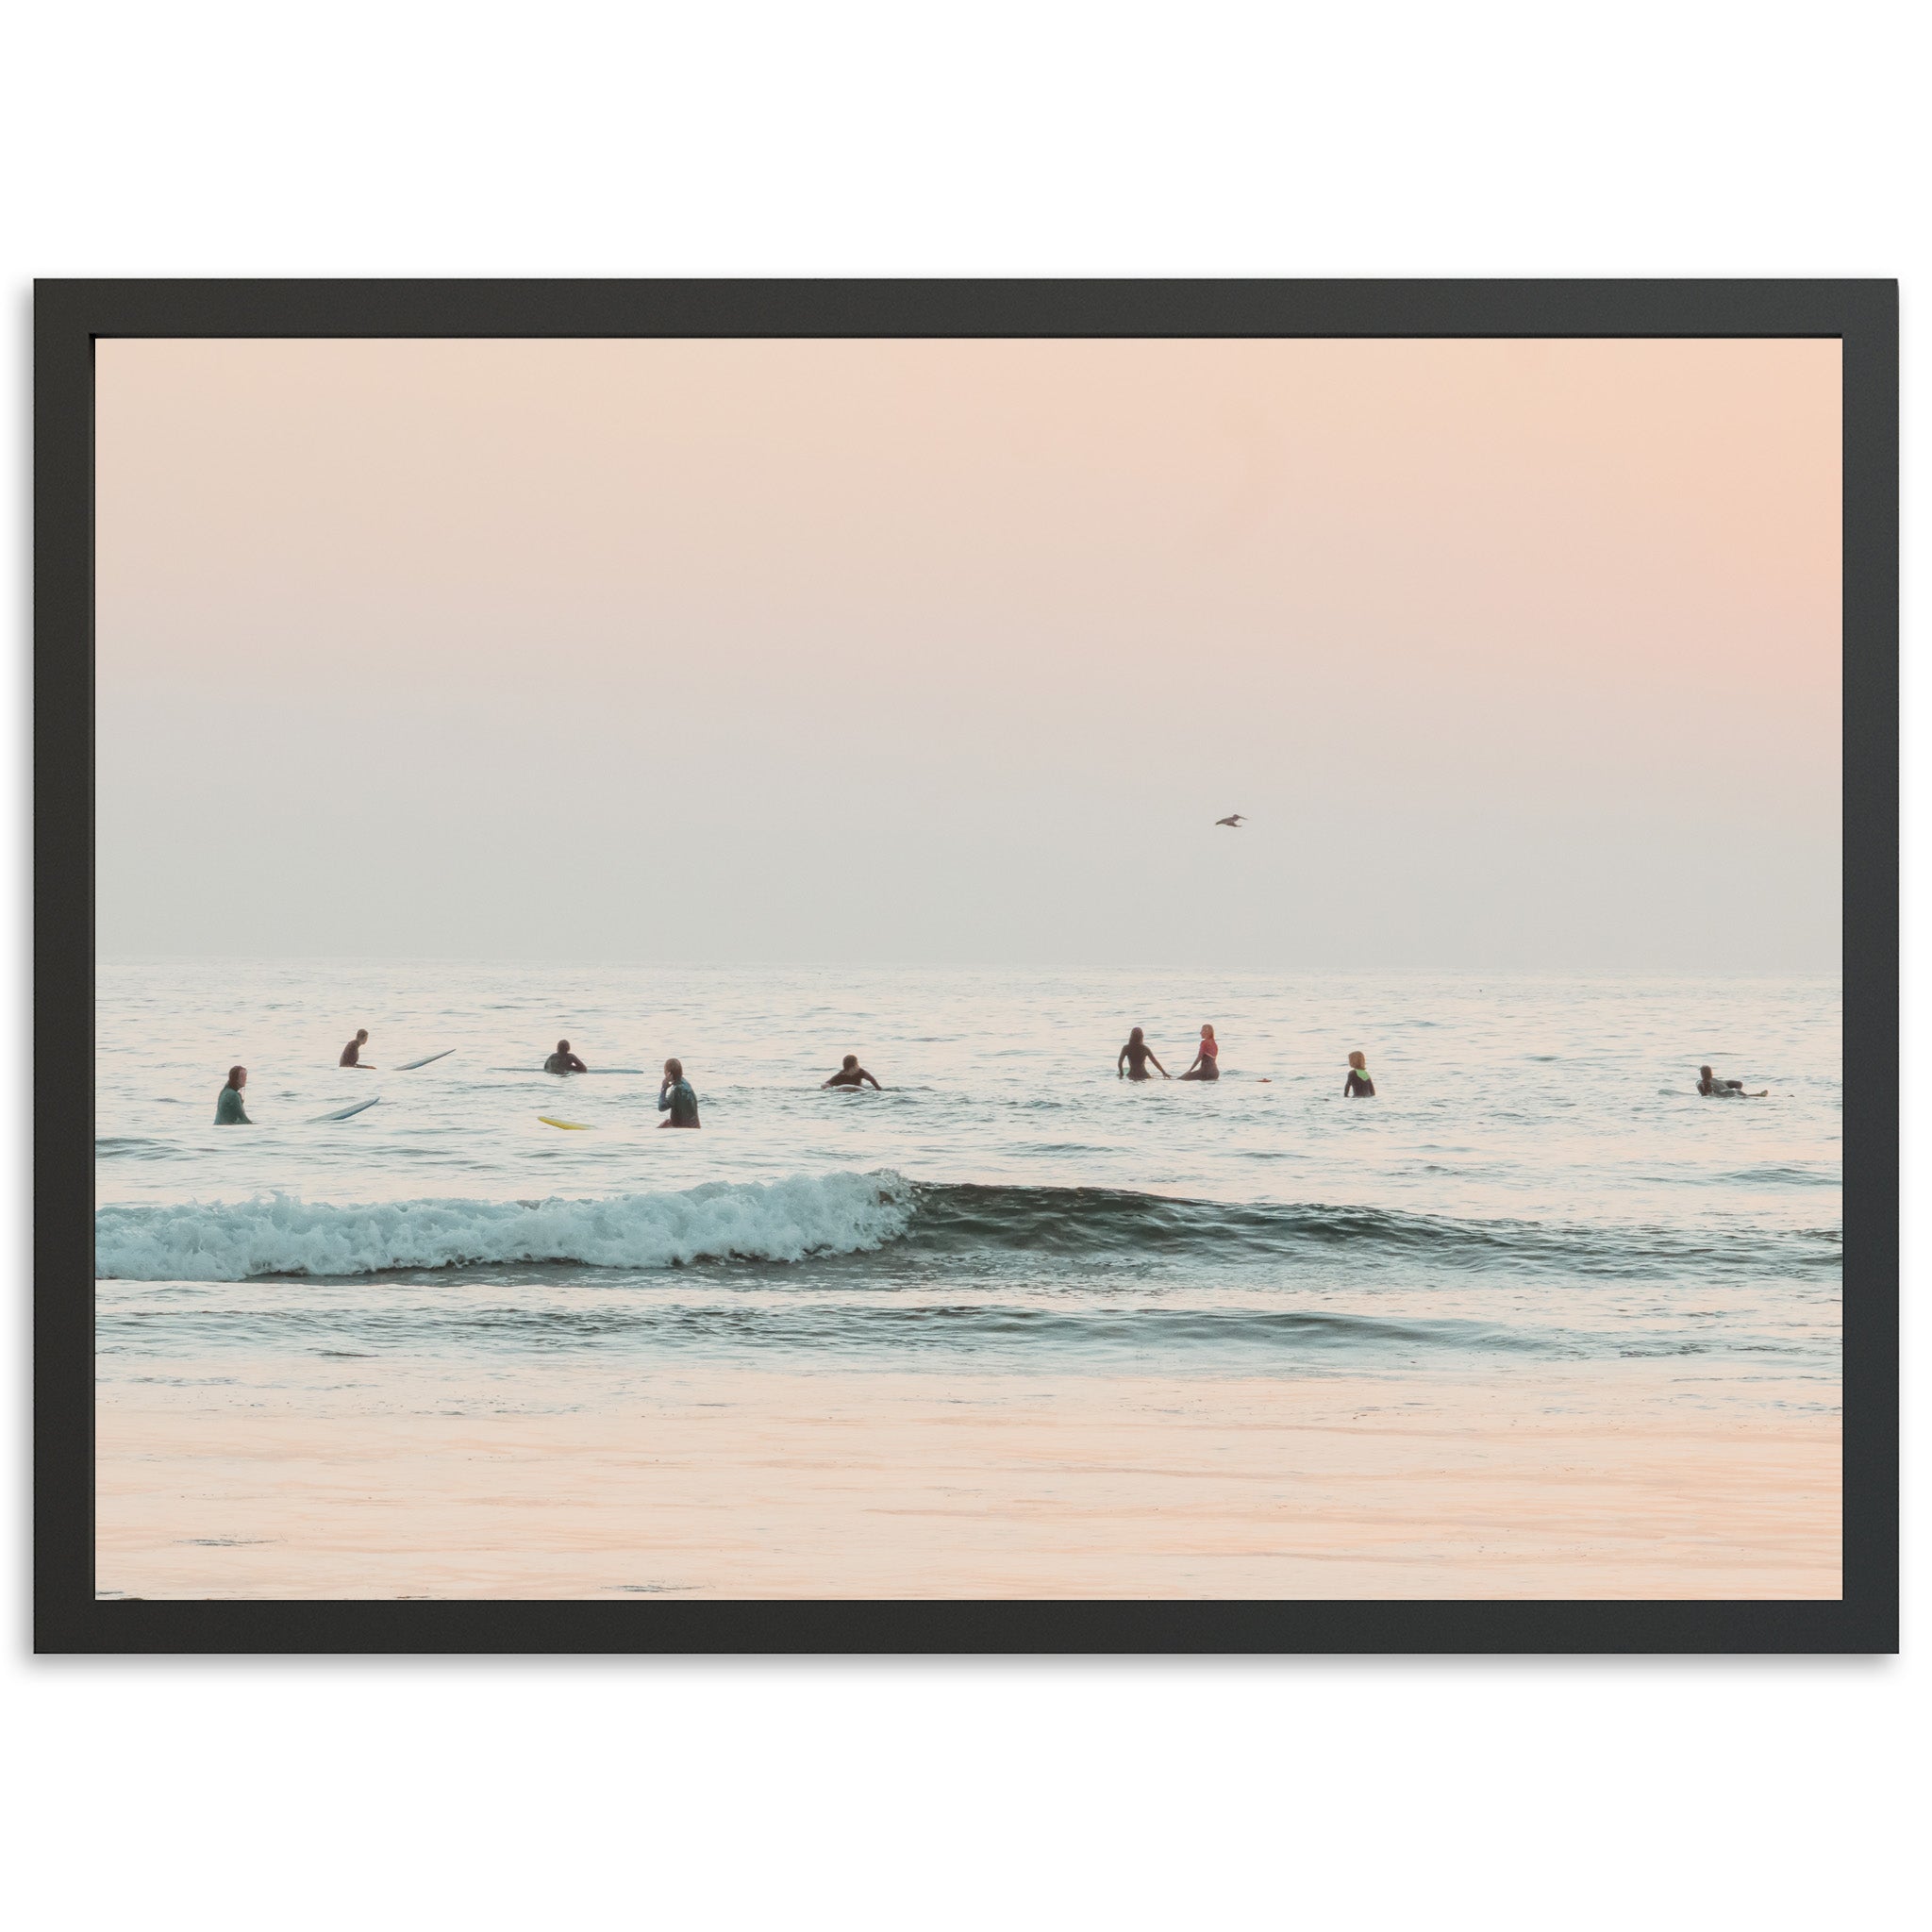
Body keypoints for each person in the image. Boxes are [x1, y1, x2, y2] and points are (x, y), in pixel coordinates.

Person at [658, 1058, 701, 1127]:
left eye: (664, 1071)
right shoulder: (685, 1083)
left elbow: (661, 1107)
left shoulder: (677, 1089)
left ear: (669, 1073)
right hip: (694, 1125)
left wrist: (664, 1089)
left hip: (685, 1127)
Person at [1698, 1064, 1766, 1098]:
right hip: (1733, 1091)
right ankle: (1758, 1095)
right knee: (1745, 1096)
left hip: (1724, 1094)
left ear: (1702, 1074)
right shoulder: (1720, 1081)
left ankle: (1758, 1095)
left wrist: (1717, 1097)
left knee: (1743, 1097)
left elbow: (1706, 1095)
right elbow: (1739, 1083)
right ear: (1711, 1073)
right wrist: (1736, 1090)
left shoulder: (1701, 1082)